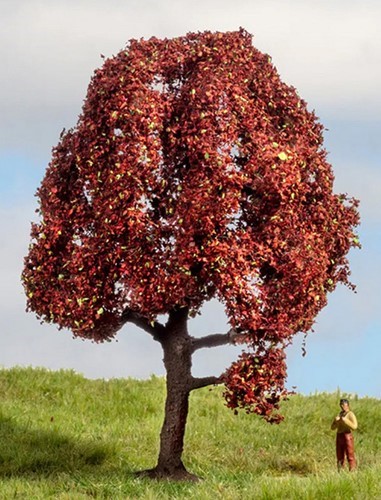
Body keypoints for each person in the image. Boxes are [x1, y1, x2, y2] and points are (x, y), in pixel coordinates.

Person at [331, 398, 358, 471]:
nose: (342, 406)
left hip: (347, 436)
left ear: (347, 405)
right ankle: (340, 471)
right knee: (339, 456)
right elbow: (332, 427)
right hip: (339, 436)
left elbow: (355, 426)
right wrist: (336, 421)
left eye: (344, 404)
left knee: (350, 455)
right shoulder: (340, 414)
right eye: (341, 405)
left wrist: (345, 421)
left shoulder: (350, 414)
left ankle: (352, 471)